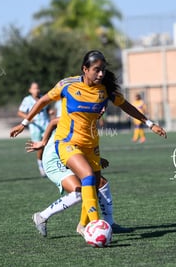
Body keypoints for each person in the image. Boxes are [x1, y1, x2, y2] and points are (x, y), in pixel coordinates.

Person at [10, 50, 167, 235]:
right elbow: (44, 101)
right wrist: (24, 123)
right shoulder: (67, 85)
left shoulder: (104, 90)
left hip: (91, 145)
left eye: (103, 70)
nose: (101, 74)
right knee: (88, 178)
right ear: (85, 69)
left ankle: (88, 225)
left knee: (97, 184)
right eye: (96, 70)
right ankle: (96, 227)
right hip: (67, 142)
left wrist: (149, 123)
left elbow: (125, 105)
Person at [25, 117, 132, 237]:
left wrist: (97, 159)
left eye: (104, 107)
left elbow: (82, 146)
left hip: (70, 154)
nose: (102, 110)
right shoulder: (80, 113)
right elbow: (54, 121)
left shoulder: (92, 121)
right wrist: (44, 142)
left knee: (100, 183)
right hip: (54, 157)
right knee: (80, 192)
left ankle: (110, 223)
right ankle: (42, 216)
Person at [18, 82, 50, 176]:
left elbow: (47, 110)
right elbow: (20, 112)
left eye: (38, 88)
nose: (37, 90)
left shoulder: (44, 97)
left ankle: (49, 165)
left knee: (49, 144)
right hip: (35, 127)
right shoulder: (27, 100)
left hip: (46, 125)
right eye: (34, 88)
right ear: (30, 90)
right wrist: (28, 119)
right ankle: (41, 165)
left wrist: (50, 111)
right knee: (39, 147)